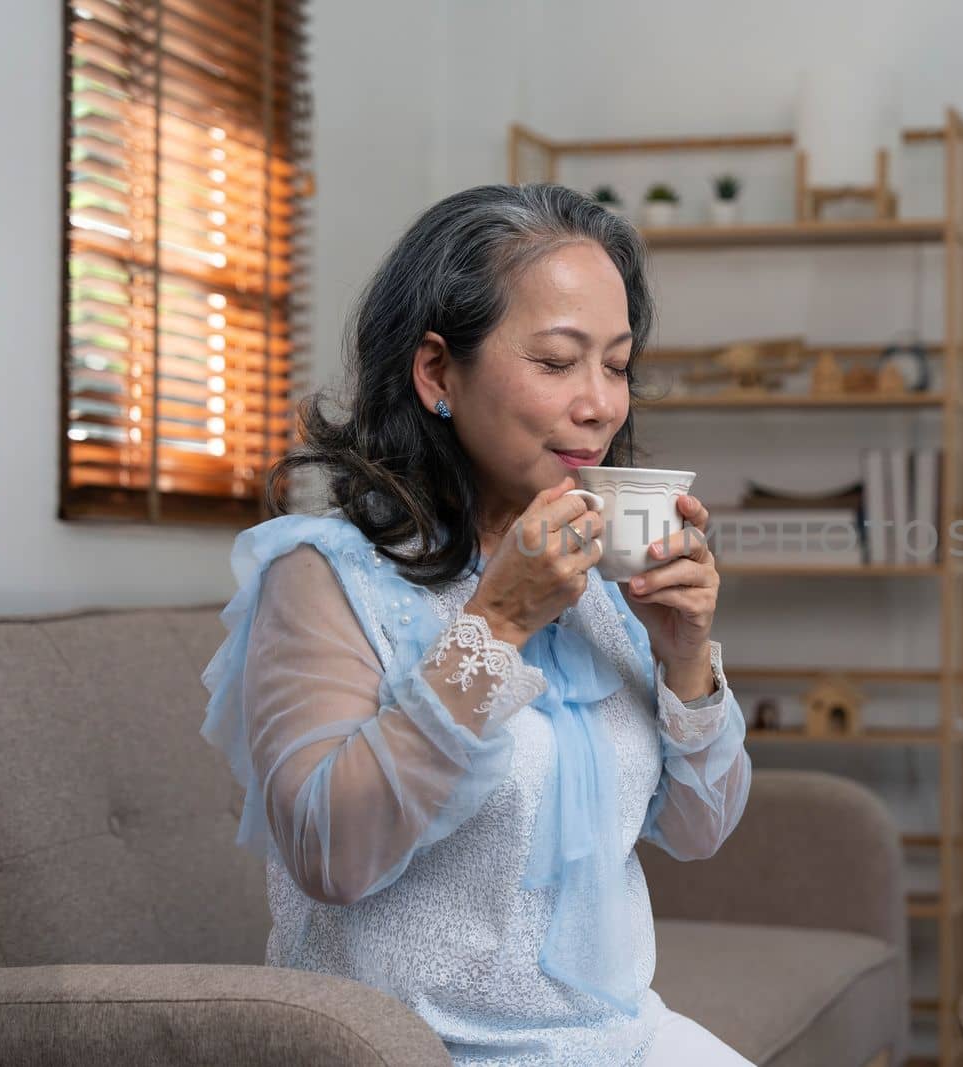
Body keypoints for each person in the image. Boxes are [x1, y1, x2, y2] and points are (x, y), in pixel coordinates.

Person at [200, 184, 754, 1066]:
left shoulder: (600, 579)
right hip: (412, 1053)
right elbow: (327, 853)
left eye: (616, 365)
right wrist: (495, 623)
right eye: (558, 360)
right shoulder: (325, 574)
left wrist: (685, 655)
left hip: (619, 1039)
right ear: (435, 373)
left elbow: (697, 832)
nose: (601, 405)